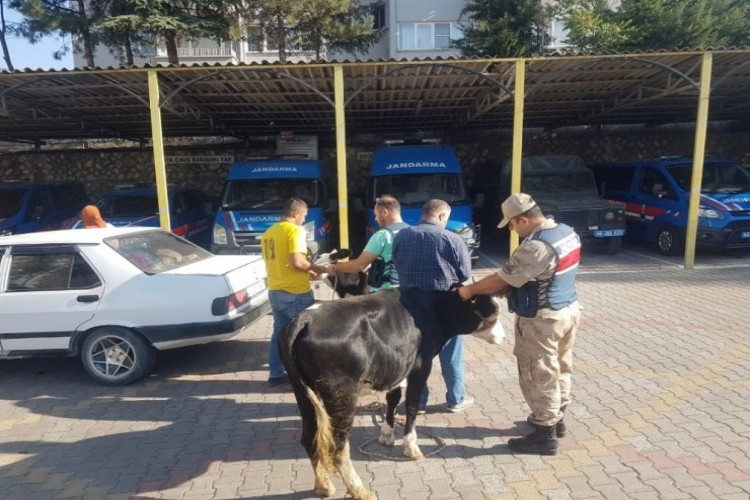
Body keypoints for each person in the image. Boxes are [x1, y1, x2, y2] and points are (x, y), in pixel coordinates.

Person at [458, 193, 582, 456]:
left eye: (512, 225)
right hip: (568, 310)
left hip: (542, 320)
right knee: (561, 365)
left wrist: (469, 292)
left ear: (523, 219)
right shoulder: (566, 232)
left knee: (538, 372)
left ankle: (544, 435)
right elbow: (543, 275)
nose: (511, 230)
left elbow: (501, 279)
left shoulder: (535, 246)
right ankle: (556, 419)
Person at [392, 199, 474, 413]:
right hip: (445, 307)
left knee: (416, 354)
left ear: (423, 214)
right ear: (441, 216)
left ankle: (418, 401)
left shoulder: (402, 236)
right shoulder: (453, 239)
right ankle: (456, 399)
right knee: (451, 355)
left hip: (410, 306)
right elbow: (464, 273)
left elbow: (396, 262)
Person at [261, 197, 330, 386]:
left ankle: (276, 374)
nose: (304, 220)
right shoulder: (295, 231)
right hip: (295, 293)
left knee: (279, 334)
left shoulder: (269, 232)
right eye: (304, 216)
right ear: (296, 213)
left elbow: (280, 262)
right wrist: (319, 269)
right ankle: (306, 378)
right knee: (304, 337)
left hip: (275, 290)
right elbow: (297, 262)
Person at [330, 194, 409, 293]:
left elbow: (358, 266)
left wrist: (335, 267)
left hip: (386, 295)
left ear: (385, 212)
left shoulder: (382, 235)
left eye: (376, 215)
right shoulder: (413, 231)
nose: (376, 219)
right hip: (408, 292)